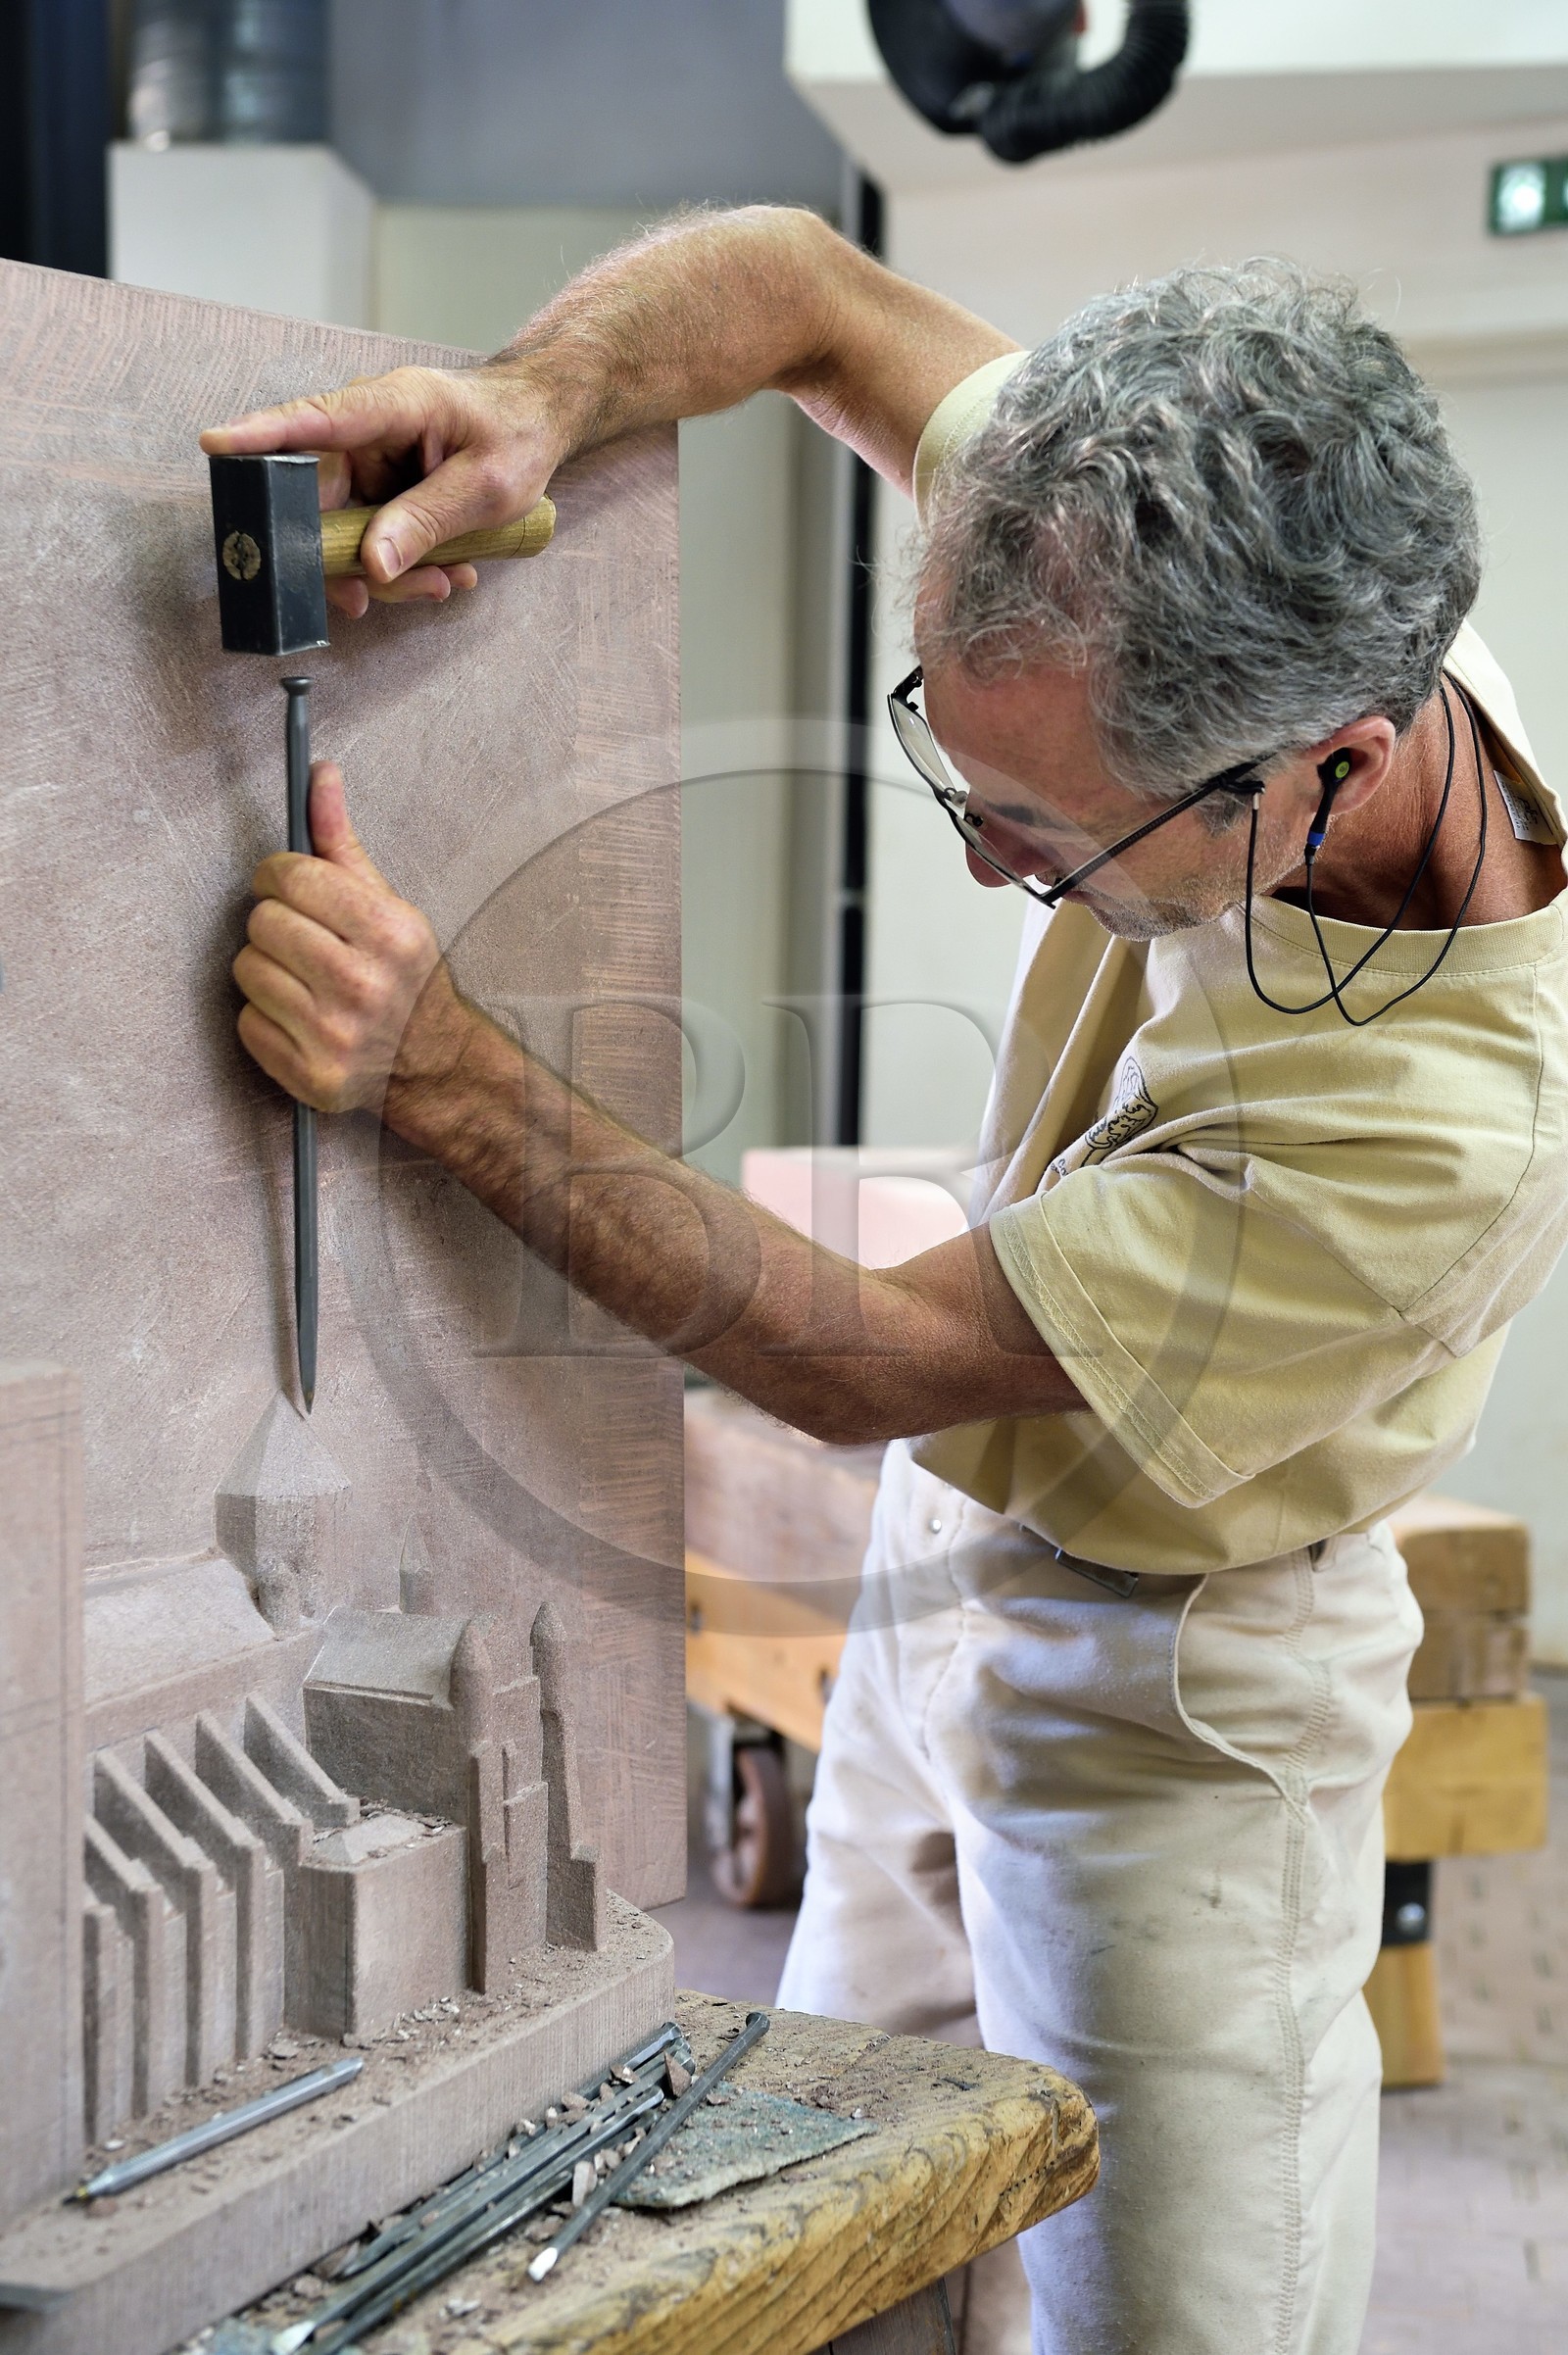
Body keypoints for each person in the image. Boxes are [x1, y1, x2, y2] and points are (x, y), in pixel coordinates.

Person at [205, 210, 1568, 2354]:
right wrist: (538, 393)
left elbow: (871, 1356)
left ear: (1330, 773)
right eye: (957, 758)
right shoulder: (1191, 545)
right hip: (959, 1536)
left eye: (1047, 828)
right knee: (840, 2222)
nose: (985, 855)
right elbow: (800, 292)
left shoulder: (1440, 1129)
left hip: (1184, 1691)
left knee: (1165, 2324)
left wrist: (440, 1070)